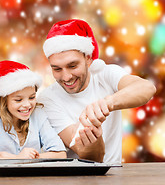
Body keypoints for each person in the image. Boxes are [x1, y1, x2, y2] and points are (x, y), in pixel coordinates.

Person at [37, 19, 156, 164]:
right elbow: (87, 155)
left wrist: (106, 104)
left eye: (73, 66)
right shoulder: (47, 100)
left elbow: (147, 88)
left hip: (115, 175)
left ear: (88, 58)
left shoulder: (105, 74)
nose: (66, 77)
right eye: (57, 69)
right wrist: (93, 138)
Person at [0, 61, 66, 167]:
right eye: (18, 100)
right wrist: (18, 158)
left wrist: (22, 160)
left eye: (32, 97)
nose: (27, 105)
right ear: (3, 101)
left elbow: (60, 154)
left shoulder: (38, 114)